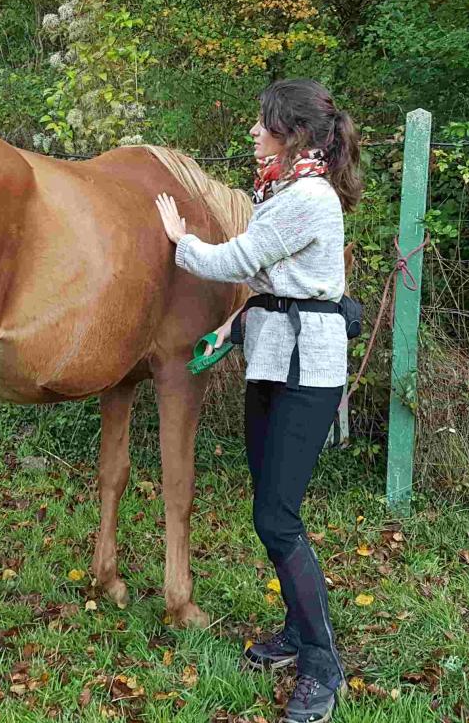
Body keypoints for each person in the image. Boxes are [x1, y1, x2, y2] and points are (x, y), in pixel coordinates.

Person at [154, 78, 363, 723]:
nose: (253, 133)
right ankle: (298, 635)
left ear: (293, 134)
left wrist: (177, 237)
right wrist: (231, 325)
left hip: (308, 370)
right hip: (271, 358)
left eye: (263, 124)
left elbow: (237, 257)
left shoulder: (309, 197)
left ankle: (322, 666)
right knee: (268, 508)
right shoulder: (282, 194)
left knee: (277, 517)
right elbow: (269, 277)